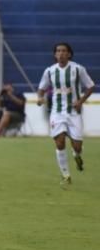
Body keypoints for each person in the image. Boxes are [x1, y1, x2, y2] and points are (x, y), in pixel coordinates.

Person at [37, 42, 94, 186]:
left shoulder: (78, 69)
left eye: (64, 51)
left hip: (74, 113)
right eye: (58, 51)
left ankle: (77, 155)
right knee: (60, 142)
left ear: (69, 54)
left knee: (77, 146)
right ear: (55, 54)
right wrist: (39, 97)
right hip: (57, 112)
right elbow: (42, 88)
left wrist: (80, 101)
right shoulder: (49, 71)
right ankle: (66, 175)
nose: (61, 53)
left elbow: (90, 86)